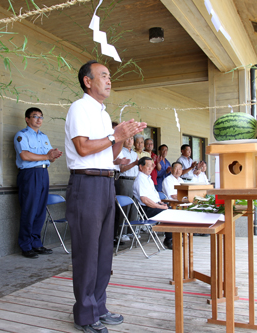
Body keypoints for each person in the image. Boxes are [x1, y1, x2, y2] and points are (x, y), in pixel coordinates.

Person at [65, 60, 146, 333]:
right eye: (103, 75)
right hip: (85, 184)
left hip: (106, 182)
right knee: (87, 252)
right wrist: (116, 135)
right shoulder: (80, 108)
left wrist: (124, 137)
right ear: (88, 81)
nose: (109, 80)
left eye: (110, 76)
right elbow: (83, 148)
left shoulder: (101, 113)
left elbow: (109, 156)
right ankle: (85, 315)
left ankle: (99, 306)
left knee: (103, 253)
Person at [14, 107, 63, 259]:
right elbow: (25, 155)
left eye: (41, 117)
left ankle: (36, 243)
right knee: (29, 210)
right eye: (35, 116)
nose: (38, 119)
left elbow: (48, 157)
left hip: (43, 173)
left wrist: (53, 156)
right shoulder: (21, 135)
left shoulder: (44, 136)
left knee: (40, 210)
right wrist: (47, 156)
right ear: (27, 119)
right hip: (30, 174)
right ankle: (26, 245)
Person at [133, 157, 171, 249]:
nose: (150, 168)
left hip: (154, 206)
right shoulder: (140, 180)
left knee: (172, 210)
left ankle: (174, 237)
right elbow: (145, 200)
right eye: (148, 166)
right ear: (141, 167)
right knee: (168, 213)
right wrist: (160, 207)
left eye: (152, 166)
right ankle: (169, 240)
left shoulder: (148, 178)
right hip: (146, 210)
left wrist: (161, 204)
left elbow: (154, 196)